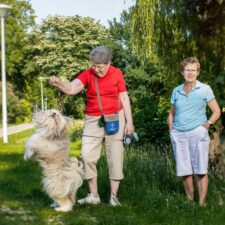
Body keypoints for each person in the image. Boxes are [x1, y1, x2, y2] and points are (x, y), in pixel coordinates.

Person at [50, 46, 134, 206]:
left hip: (116, 118)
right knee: (86, 155)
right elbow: (72, 88)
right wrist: (59, 83)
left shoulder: (117, 73)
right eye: (94, 65)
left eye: (100, 66)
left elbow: (124, 97)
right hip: (93, 119)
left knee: (115, 157)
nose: (96, 69)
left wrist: (130, 122)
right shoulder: (88, 73)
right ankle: (93, 195)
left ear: (108, 63)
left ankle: (114, 196)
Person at [168, 57, 221, 206]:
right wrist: (172, 132)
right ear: (182, 72)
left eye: (193, 70)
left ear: (198, 72)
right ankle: (189, 201)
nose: (190, 73)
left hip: (197, 133)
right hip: (178, 134)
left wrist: (206, 126)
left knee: (200, 169)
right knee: (184, 170)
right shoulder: (176, 91)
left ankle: (202, 203)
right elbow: (171, 113)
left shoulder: (205, 89)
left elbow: (216, 111)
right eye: (187, 70)